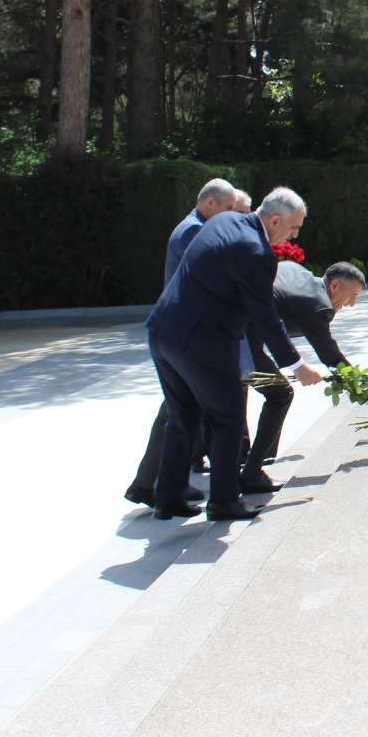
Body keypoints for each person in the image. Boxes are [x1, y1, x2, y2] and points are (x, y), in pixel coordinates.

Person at [145, 186, 325, 521]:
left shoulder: (225, 220)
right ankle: (224, 502)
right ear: (274, 220)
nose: (294, 235)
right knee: (228, 419)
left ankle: (166, 498)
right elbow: (266, 317)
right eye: (293, 228)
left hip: (163, 332)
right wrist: (297, 365)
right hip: (201, 344)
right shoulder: (258, 253)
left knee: (182, 418)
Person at [240, 260, 368, 492]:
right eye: (352, 295)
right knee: (279, 394)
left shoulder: (298, 271)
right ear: (334, 286)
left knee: (239, 390)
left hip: (240, 325)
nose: (352, 303)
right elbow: (334, 360)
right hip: (239, 334)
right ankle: (251, 474)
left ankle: (237, 457)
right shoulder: (317, 307)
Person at [124, 178, 238, 508]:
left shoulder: (195, 227)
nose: (231, 216)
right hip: (186, 333)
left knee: (178, 410)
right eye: (228, 208)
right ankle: (153, 483)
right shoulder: (193, 231)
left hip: (182, 332)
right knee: (178, 411)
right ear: (210, 203)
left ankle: (155, 483)